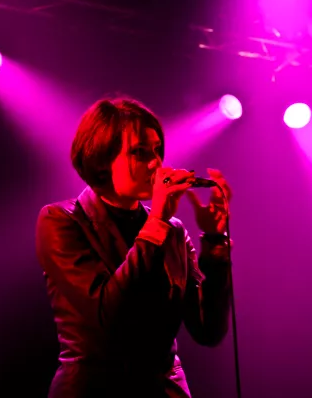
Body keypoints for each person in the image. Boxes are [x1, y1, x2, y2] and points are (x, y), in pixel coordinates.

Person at [35, 96, 233, 398]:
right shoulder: (61, 221)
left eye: (157, 150)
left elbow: (208, 330)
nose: (156, 163)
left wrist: (215, 242)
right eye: (139, 152)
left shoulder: (172, 231)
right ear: (102, 160)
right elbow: (107, 315)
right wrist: (156, 223)